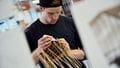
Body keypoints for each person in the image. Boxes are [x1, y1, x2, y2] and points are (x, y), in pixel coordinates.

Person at [25, 0, 86, 67]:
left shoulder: (70, 22)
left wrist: (68, 53)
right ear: (41, 8)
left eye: (58, 12)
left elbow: (86, 53)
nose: (55, 17)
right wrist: (39, 50)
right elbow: (27, 64)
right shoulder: (30, 32)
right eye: (50, 13)